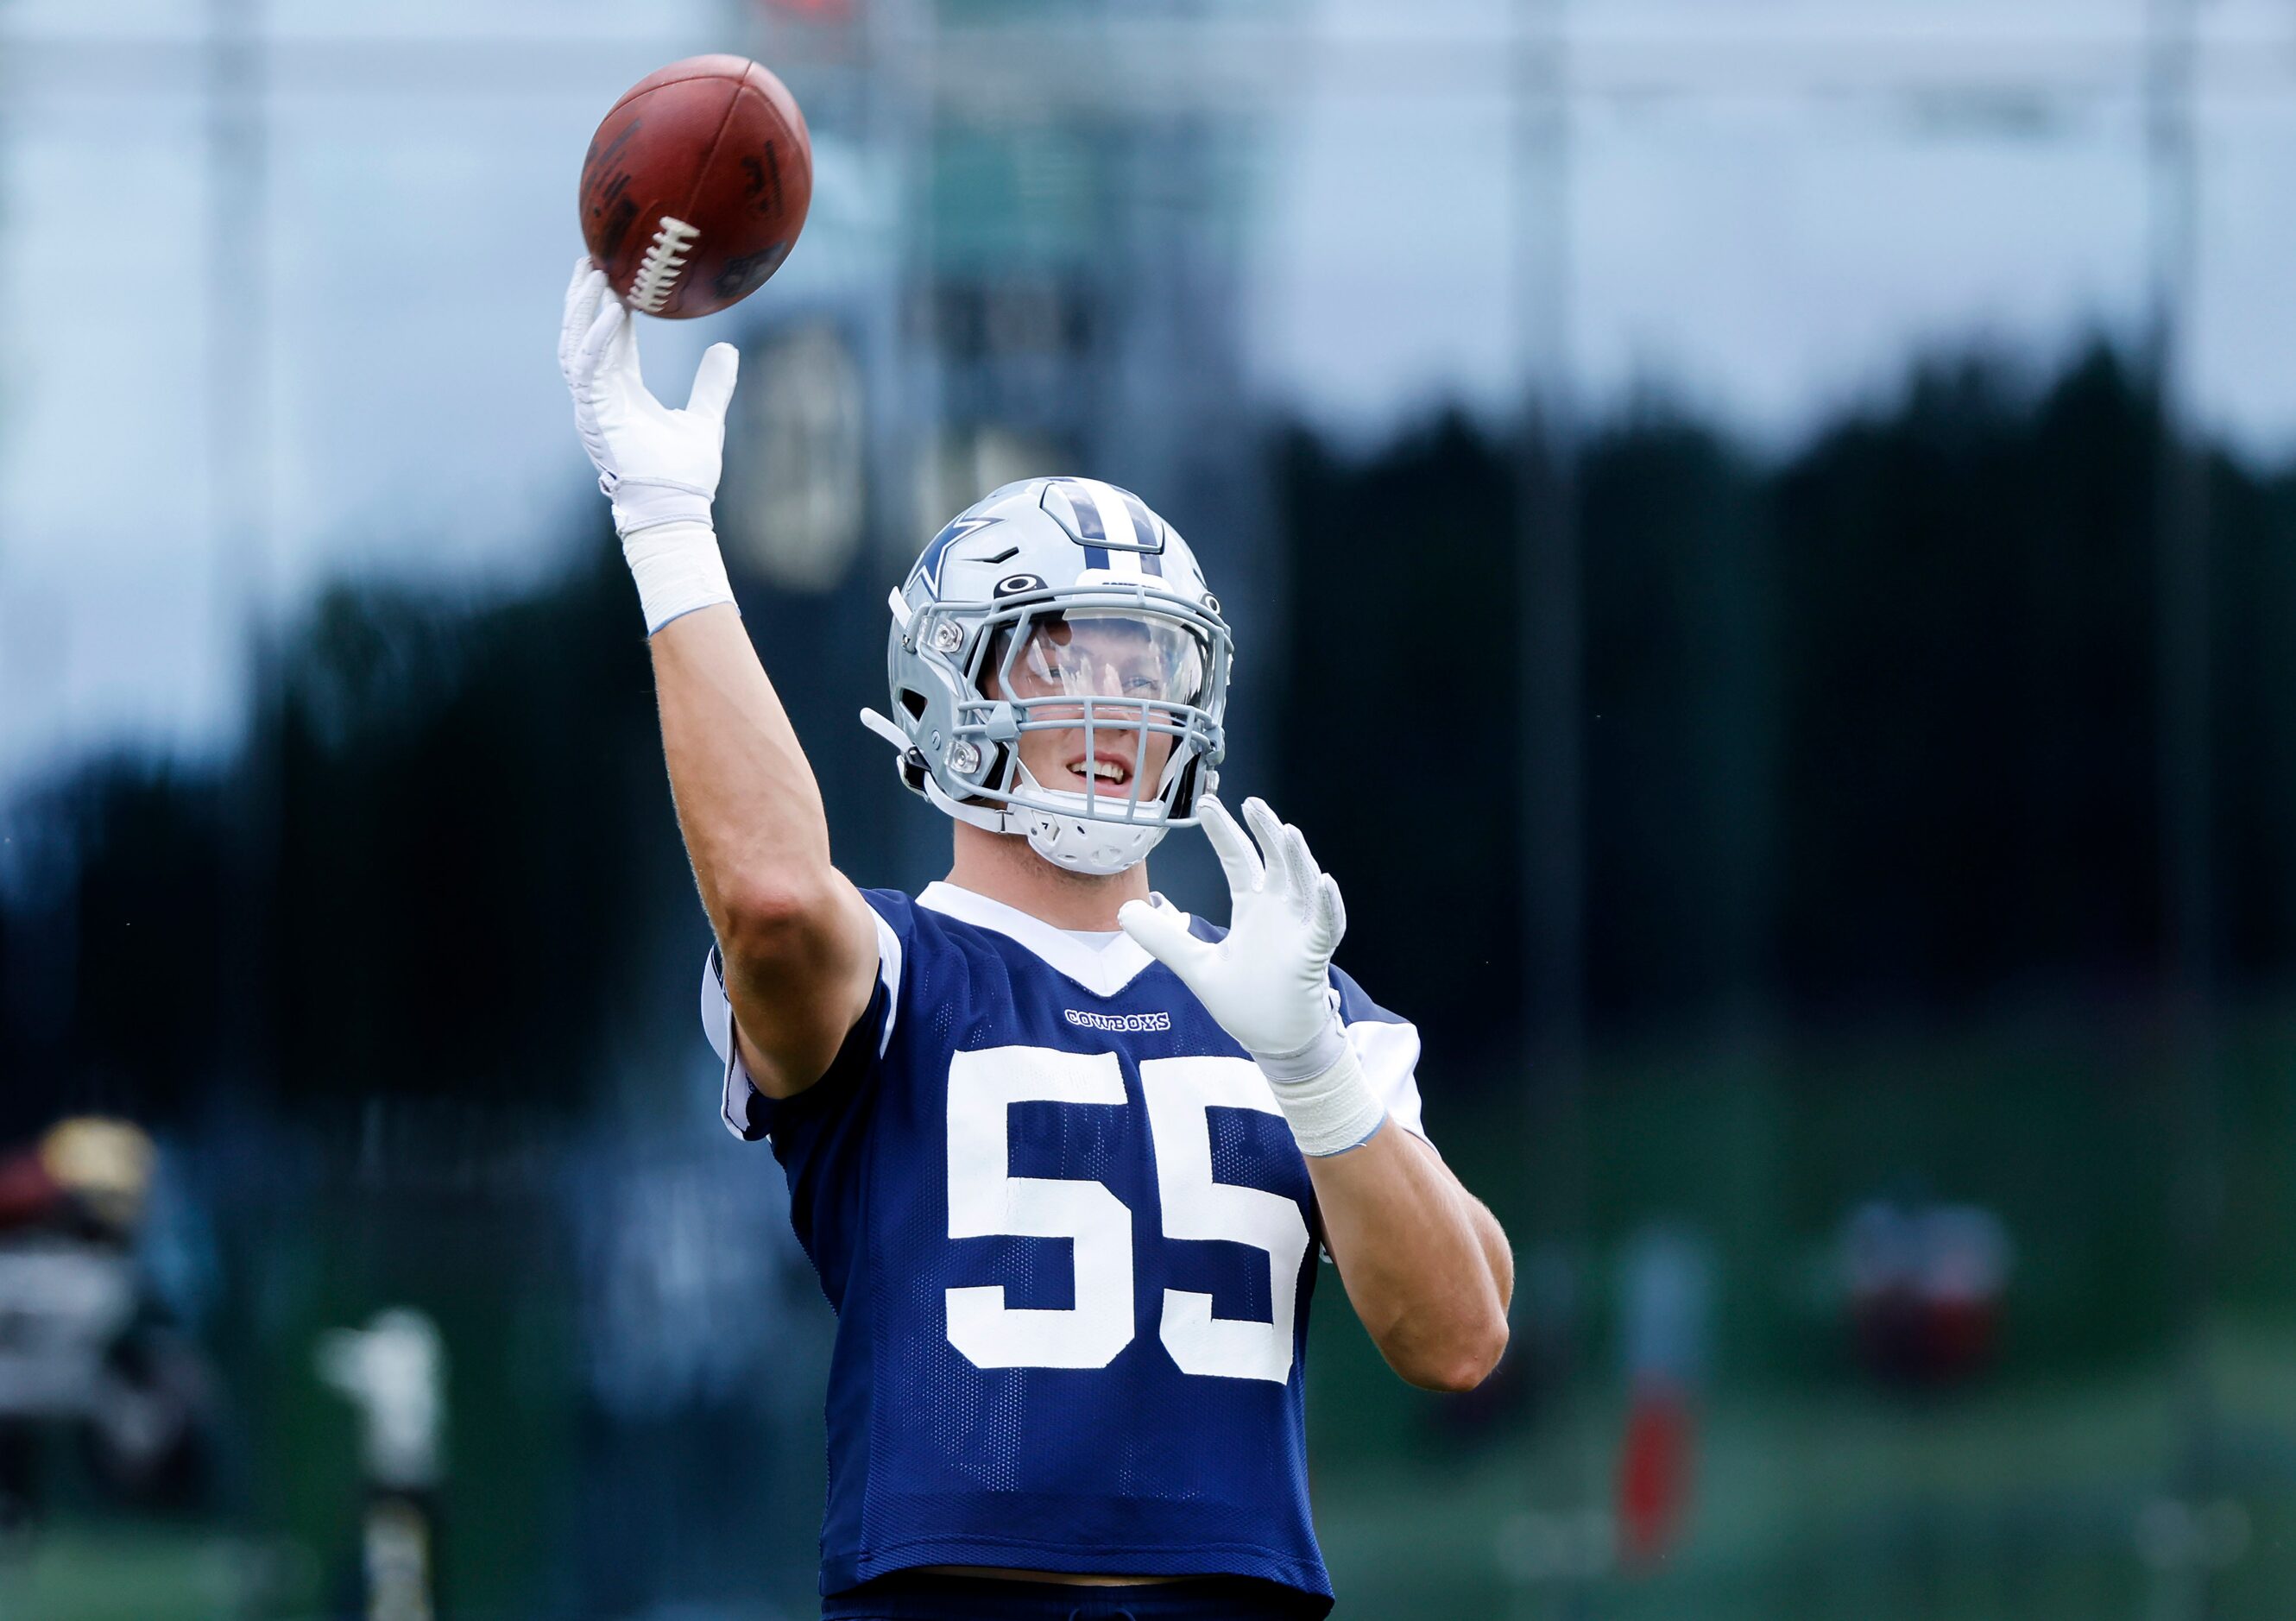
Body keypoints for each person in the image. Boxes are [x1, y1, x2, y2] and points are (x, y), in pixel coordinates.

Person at [560, 262, 1513, 1621]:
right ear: (944, 688)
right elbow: (770, 897)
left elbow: (1463, 1334)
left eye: (1147, 658)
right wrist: (666, 526)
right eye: (1062, 650)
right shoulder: (897, 972)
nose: (1117, 692)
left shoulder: (1302, 1003)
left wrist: (1311, 1066)